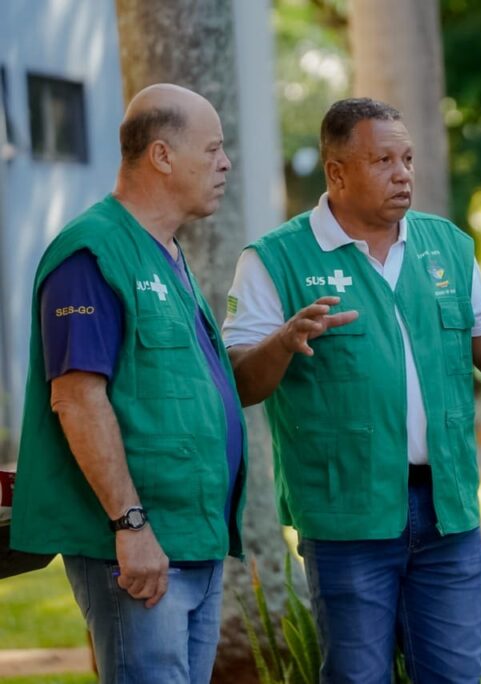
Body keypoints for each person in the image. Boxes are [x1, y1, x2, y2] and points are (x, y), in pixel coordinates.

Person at [222, 97, 481, 683]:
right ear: (337, 173)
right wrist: (284, 341)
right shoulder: (275, 259)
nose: (403, 174)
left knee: (456, 676)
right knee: (358, 677)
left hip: (446, 512)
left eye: (408, 158)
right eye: (383, 160)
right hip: (347, 517)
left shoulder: (447, 246)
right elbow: (238, 380)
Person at [11, 84, 246, 683]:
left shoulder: (166, 252)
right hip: (138, 551)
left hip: (193, 542)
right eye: (213, 149)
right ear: (162, 156)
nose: (225, 163)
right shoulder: (91, 253)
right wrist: (131, 526)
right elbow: (77, 398)